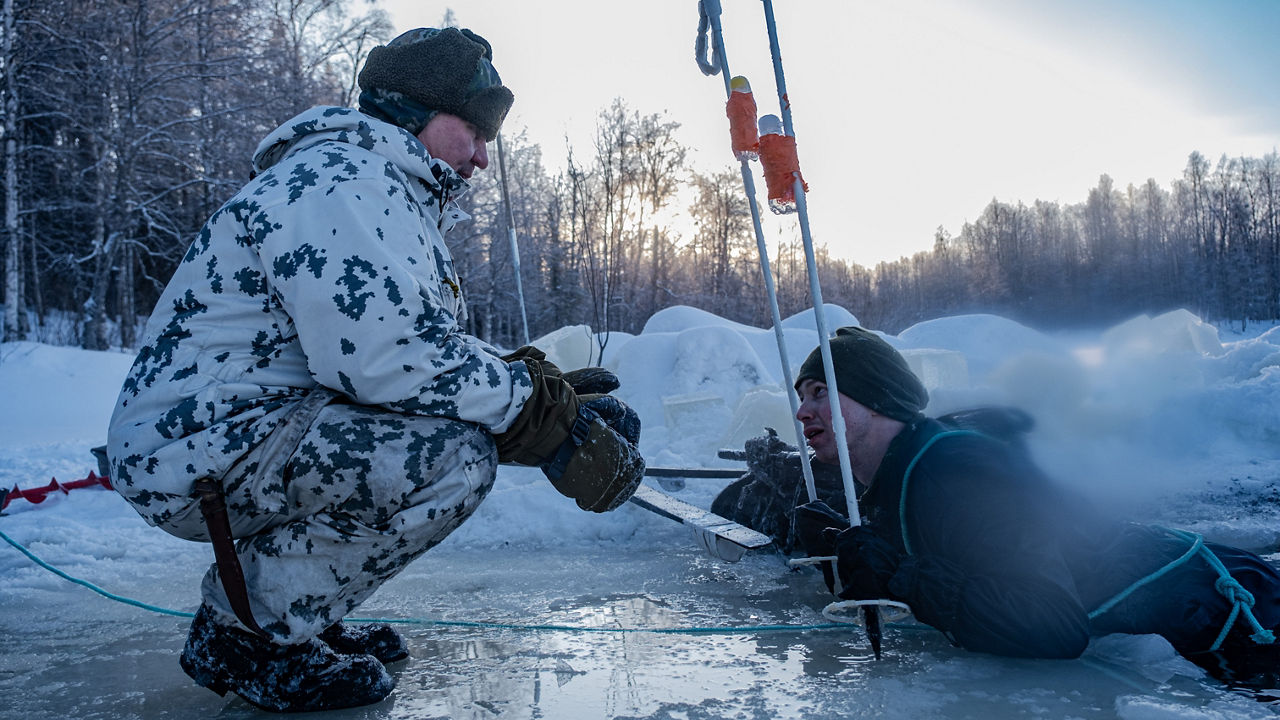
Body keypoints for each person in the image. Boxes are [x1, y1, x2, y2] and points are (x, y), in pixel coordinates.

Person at [106, 27, 644, 713]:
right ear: (415, 111)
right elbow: (387, 364)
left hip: (231, 431)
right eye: (475, 129)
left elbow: (396, 350)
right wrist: (537, 415)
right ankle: (249, 636)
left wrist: (538, 391)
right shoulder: (344, 183)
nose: (483, 154)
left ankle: (302, 612)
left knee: (430, 434)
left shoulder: (371, 183)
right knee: (452, 458)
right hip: (194, 449)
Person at [777, 326, 1280, 690]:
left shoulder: (952, 470)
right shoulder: (907, 469)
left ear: (876, 400)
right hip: (1202, 601)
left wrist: (900, 575)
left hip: (1228, 620)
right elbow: (958, 548)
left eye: (820, 392)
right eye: (801, 396)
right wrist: (847, 540)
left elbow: (1051, 624)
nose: (802, 411)